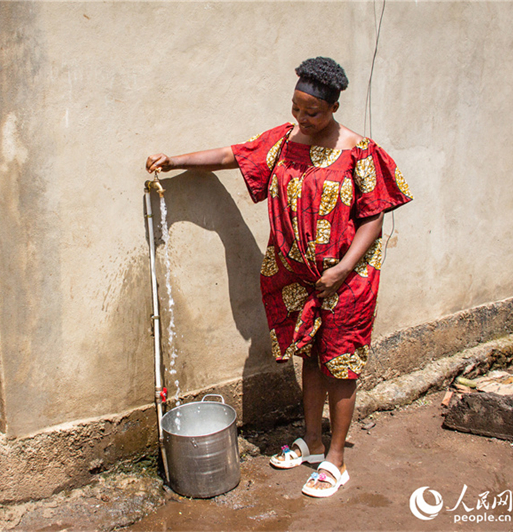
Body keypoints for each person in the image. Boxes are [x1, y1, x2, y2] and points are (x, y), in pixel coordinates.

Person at [145, 57, 412, 498]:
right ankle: (312, 440)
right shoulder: (284, 142)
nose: (302, 120)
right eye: (296, 109)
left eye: (313, 112)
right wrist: (175, 160)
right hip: (296, 275)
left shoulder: (359, 151)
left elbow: (374, 217)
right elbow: (234, 155)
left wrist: (343, 268)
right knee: (309, 353)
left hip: (348, 278)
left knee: (340, 363)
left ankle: (337, 459)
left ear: (334, 107)